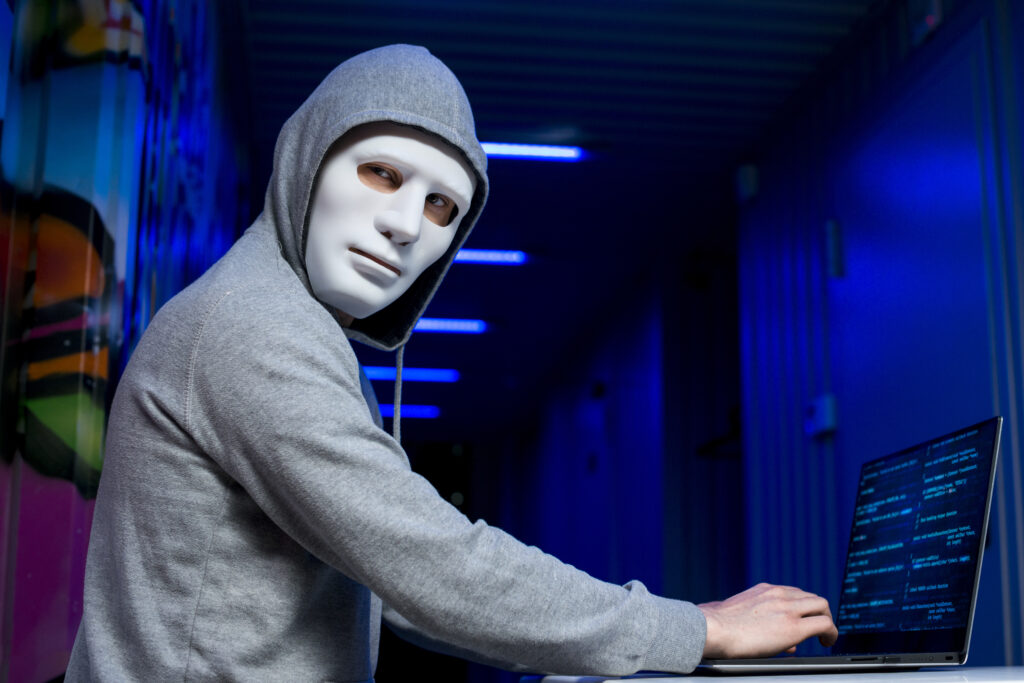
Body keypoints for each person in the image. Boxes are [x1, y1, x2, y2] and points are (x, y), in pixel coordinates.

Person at [67, 44, 836, 680]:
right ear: (307, 159)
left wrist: (591, 644)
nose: (405, 224)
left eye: (442, 207)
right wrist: (692, 628)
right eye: (381, 173)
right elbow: (428, 567)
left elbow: (397, 586)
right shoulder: (254, 327)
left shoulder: (292, 329)